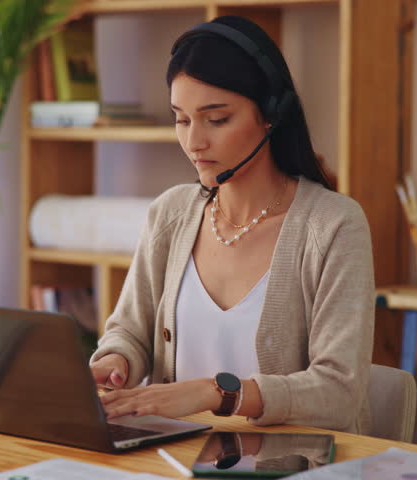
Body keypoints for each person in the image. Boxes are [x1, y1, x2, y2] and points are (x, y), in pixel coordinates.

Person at [89, 15, 375, 433]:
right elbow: (128, 332)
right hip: (170, 460)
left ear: (271, 115)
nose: (193, 142)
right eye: (182, 119)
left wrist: (216, 393)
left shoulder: (334, 226)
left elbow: (338, 392)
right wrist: (116, 363)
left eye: (217, 119)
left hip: (294, 466)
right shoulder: (170, 214)